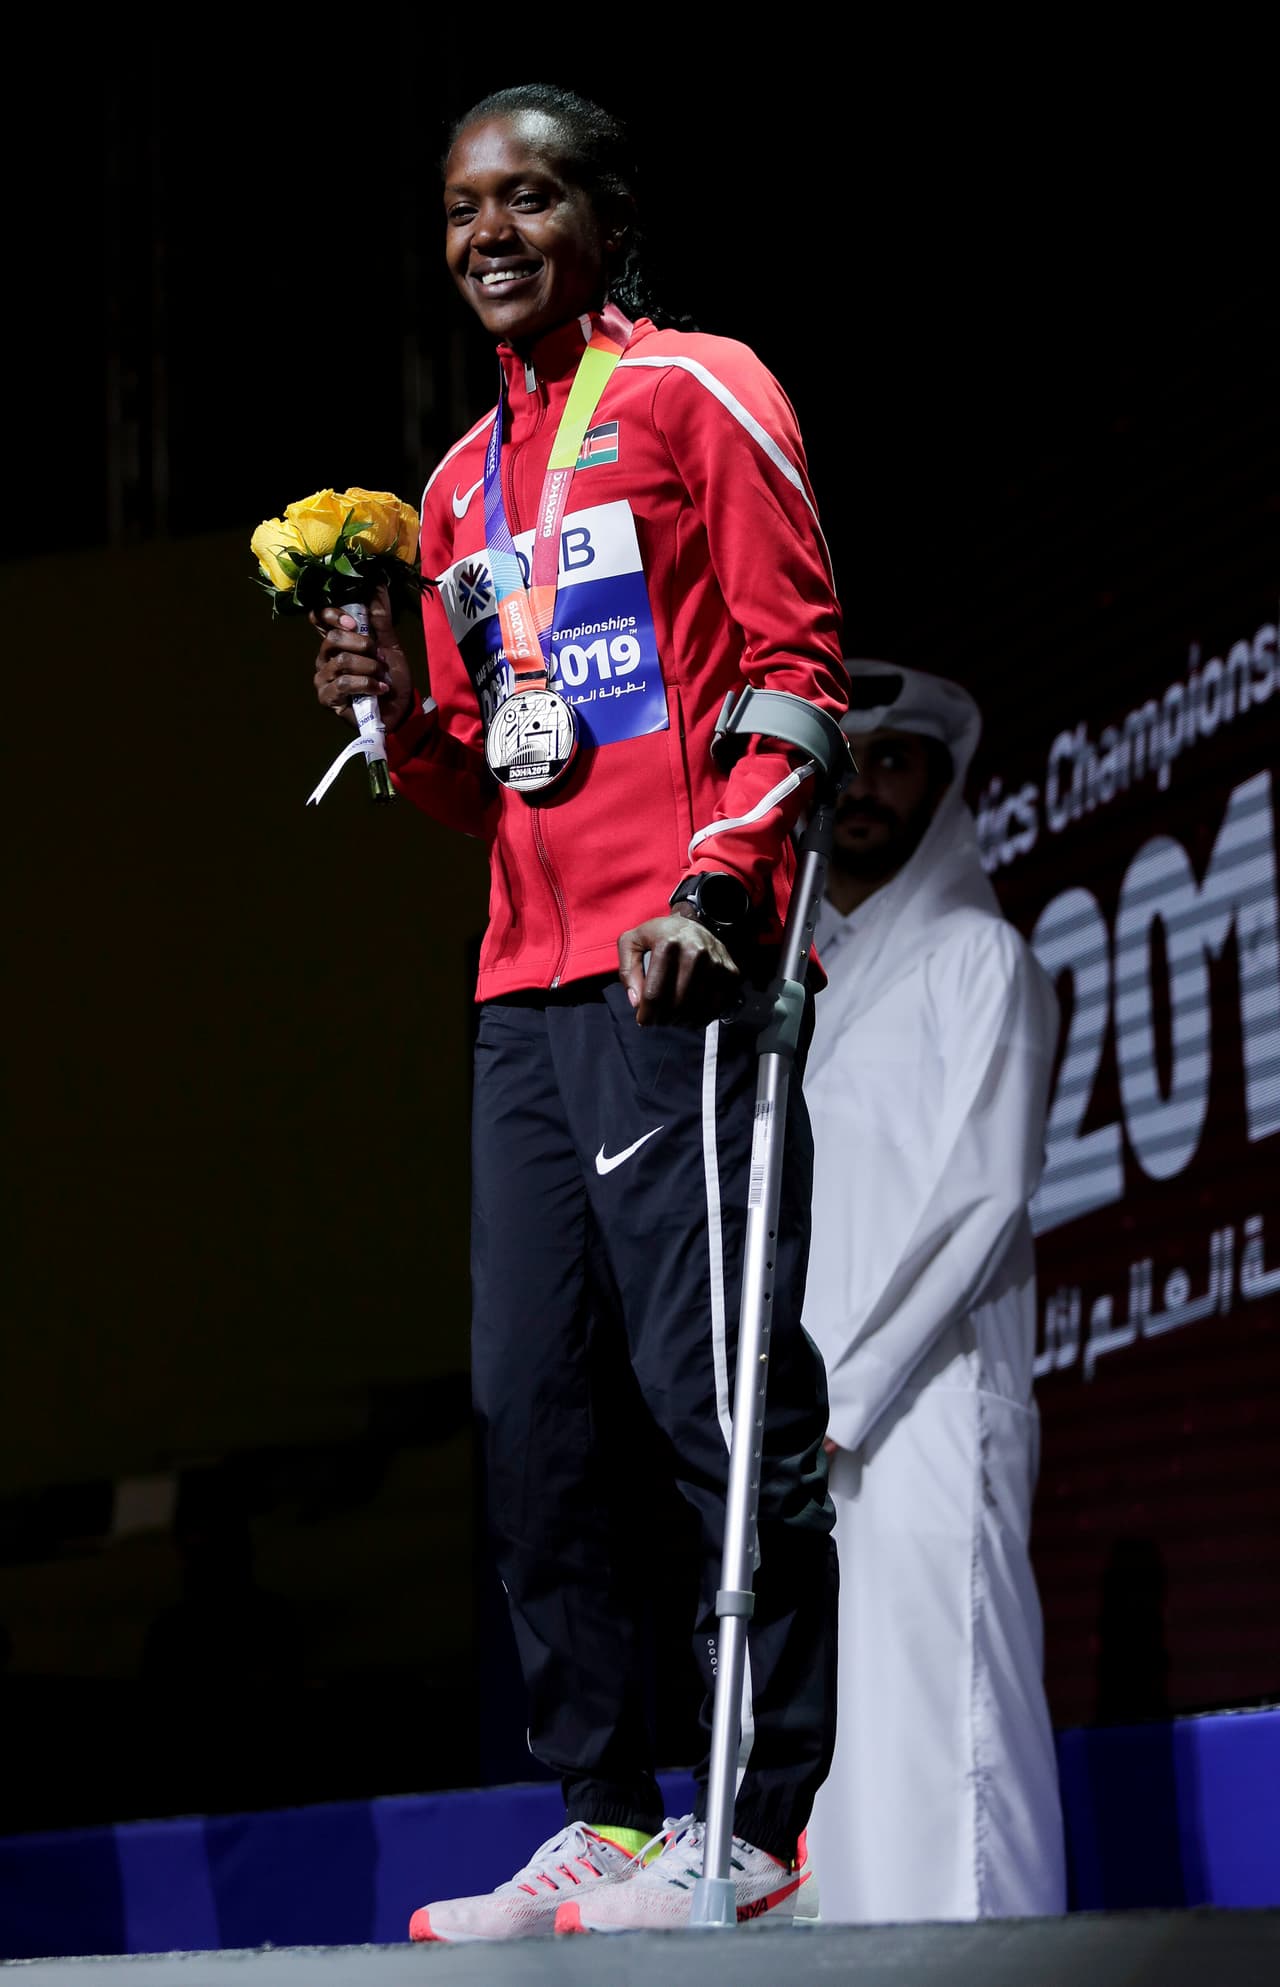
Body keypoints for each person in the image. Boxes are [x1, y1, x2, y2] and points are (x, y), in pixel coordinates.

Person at [307, 81, 849, 1941]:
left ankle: (755, 1814)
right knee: (529, 1409)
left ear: (607, 218)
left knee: (714, 1394)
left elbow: (796, 672)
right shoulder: (460, 484)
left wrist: (721, 886)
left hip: (679, 964)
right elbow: (493, 774)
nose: (491, 233)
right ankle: (607, 1812)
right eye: (465, 207)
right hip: (523, 992)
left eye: (529, 197)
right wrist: (395, 715)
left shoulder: (702, 389)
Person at [799, 660, 1069, 1924]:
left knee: (944, 1744)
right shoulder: (799, 991)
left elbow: (981, 1194)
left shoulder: (981, 958)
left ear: (943, 788)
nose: (863, 784)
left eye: (896, 760)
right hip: (804, 1436)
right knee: (833, 1767)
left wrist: (841, 1396)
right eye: (846, 758)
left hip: (925, 1416)